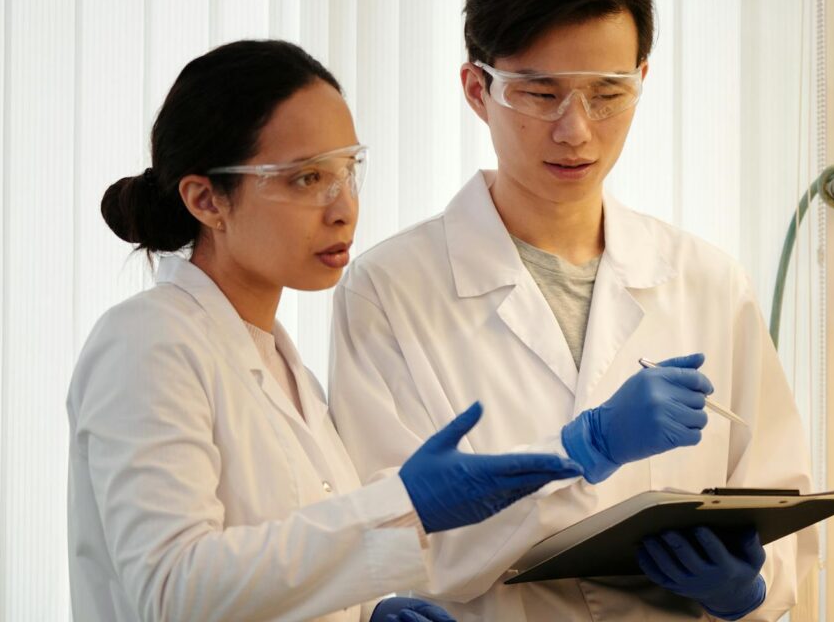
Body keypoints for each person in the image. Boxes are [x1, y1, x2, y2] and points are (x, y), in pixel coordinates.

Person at [328, 0, 818, 620]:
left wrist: (749, 591)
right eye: (539, 93)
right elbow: (384, 538)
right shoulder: (390, 290)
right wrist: (580, 455)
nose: (576, 130)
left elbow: (782, 508)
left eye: (608, 93)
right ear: (477, 89)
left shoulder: (709, 283)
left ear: (642, 79)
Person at [66, 40, 585, 622]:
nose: (344, 210)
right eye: (307, 178)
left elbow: (286, 575)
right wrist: (404, 503)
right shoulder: (147, 342)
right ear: (207, 199)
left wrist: (364, 615)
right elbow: (171, 589)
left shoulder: (292, 375)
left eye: (348, 171)